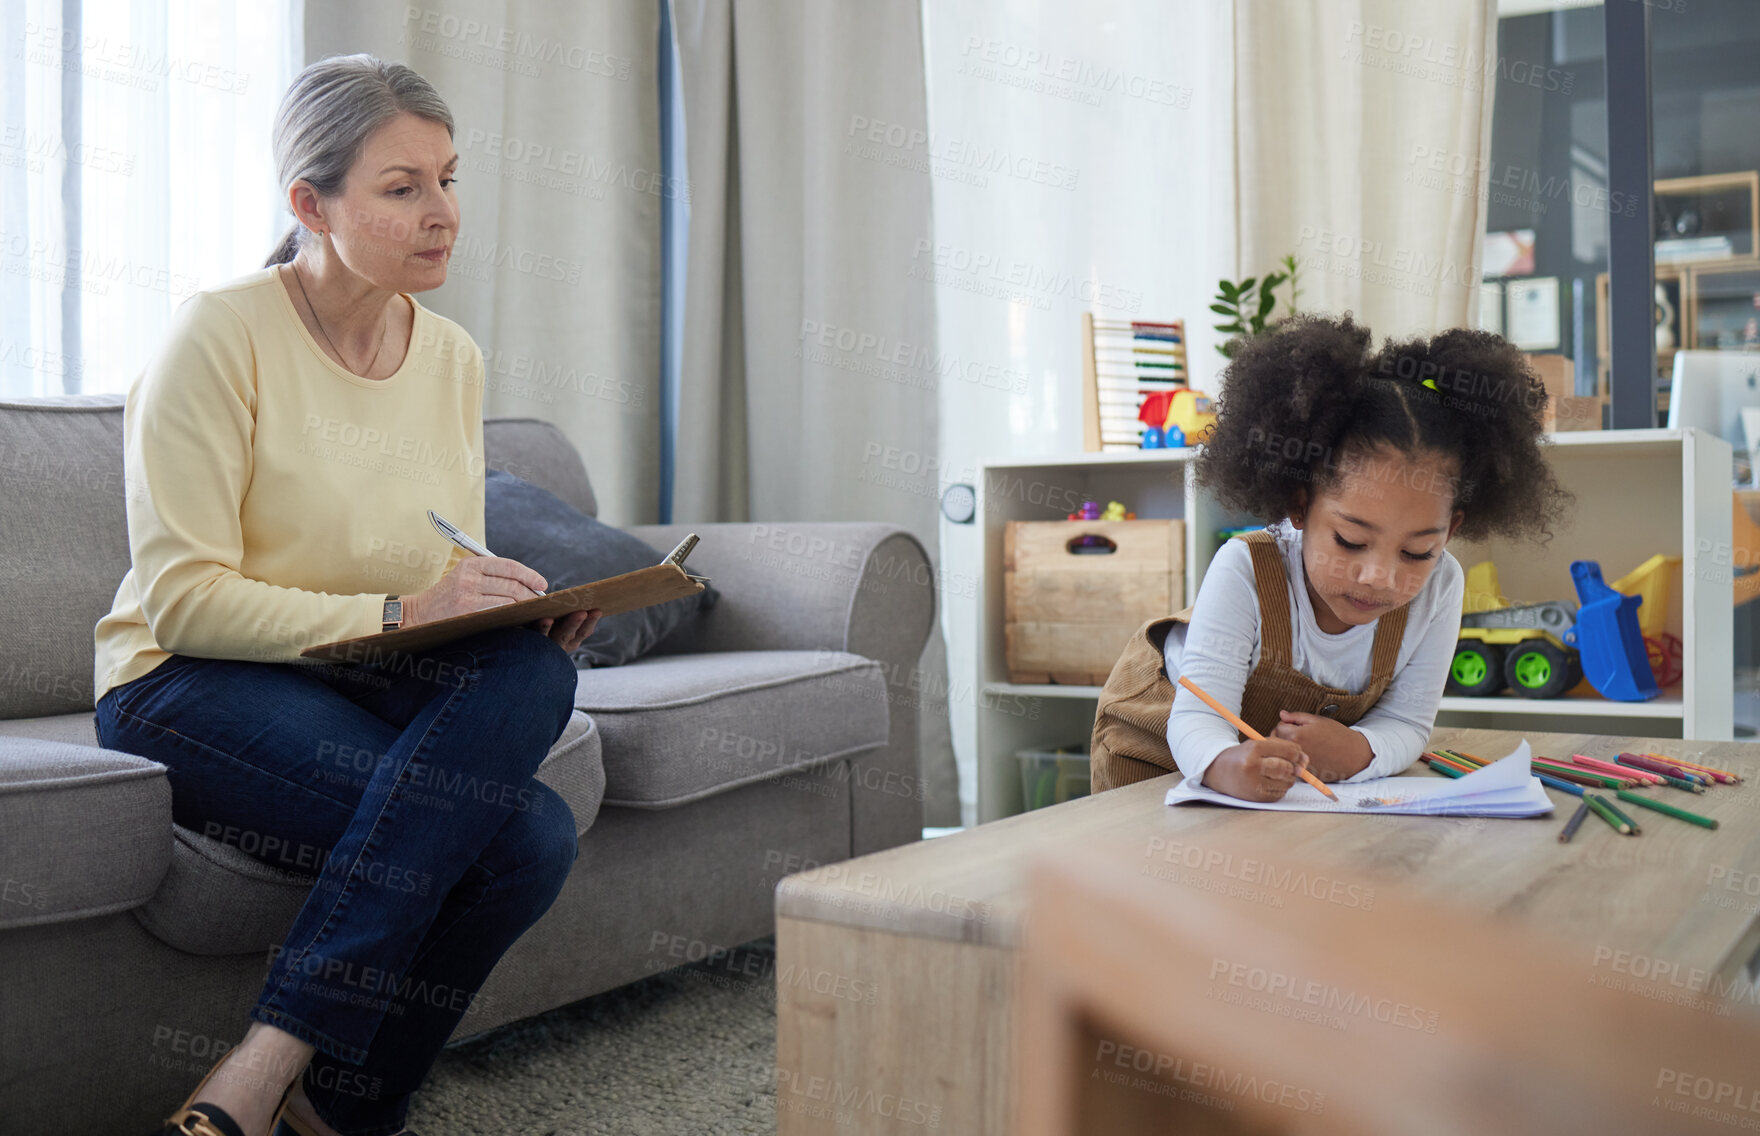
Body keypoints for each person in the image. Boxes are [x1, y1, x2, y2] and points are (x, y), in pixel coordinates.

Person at [92, 55, 601, 1136]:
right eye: (402, 187)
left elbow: (427, 560)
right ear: (308, 205)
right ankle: (315, 1082)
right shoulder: (216, 336)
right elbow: (182, 598)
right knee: (524, 838)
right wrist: (399, 616)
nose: (444, 213)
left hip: (352, 674)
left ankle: (302, 1085)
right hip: (183, 681)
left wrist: (491, 598)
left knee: (529, 660)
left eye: (450, 178)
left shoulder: (450, 356)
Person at [1090, 314, 1569, 801]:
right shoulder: (1244, 569)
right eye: (1350, 541)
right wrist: (1222, 762)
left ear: (1452, 530)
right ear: (1300, 506)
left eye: (1417, 551)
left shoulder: (1443, 586)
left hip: (1277, 792)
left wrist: (1359, 750)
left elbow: (1406, 722)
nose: (1379, 577)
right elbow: (1199, 717)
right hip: (1159, 751)